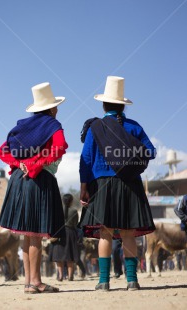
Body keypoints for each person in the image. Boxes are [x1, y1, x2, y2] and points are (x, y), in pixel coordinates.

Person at [79, 76, 156, 291]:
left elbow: (85, 160)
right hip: (130, 183)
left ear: (104, 105)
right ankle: (132, 280)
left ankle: (103, 281)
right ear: (123, 106)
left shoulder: (95, 127)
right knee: (128, 233)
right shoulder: (134, 127)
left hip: (102, 184)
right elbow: (151, 152)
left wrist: (84, 188)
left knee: (105, 233)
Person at [0, 82, 68, 294]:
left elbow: (2, 151)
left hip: (18, 181)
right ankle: (36, 282)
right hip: (38, 180)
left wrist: (21, 164)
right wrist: (36, 164)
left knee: (27, 235)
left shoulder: (21, 127)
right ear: (52, 108)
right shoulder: (53, 126)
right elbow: (59, 147)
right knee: (36, 233)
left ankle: (28, 282)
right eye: (56, 106)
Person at [51, 194, 80, 281]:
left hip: (59, 233)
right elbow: (75, 224)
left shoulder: (57, 211)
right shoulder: (74, 211)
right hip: (71, 233)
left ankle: (60, 276)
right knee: (69, 255)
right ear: (71, 201)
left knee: (59, 256)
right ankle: (70, 276)